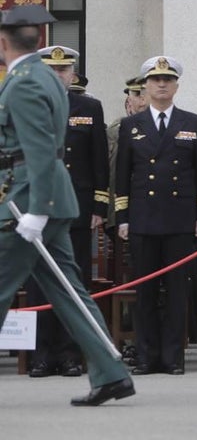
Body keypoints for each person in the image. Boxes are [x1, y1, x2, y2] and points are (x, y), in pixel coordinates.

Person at [0, 4, 134, 406]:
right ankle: (111, 373)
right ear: (39, 40)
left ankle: (111, 373)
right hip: (49, 197)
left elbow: (39, 149)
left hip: (28, 201)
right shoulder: (46, 77)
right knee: (69, 291)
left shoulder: (23, 81)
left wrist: (37, 210)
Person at [114, 55, 197, 375]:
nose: (161, 85)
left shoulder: (192, 122)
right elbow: (123, 176)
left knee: (176, 292)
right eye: (155, 80)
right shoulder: (131, 126)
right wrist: (124, 218)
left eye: (167, 80)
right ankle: (145, 357)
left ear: (176, 86)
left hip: (180, 219)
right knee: (144, 293)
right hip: (142, 220)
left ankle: (173, 358)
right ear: (144, 87)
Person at [24, 45, 110, 378]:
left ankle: (72, 354)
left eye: (65, 69)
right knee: (39, 284)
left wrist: (99, 205)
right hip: (36, 209)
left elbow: (99, 161)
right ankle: (42, 355)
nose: (59, 74)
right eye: (53, 69)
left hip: (77, 206)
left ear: (73, 74)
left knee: (74, 284)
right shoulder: (27, 104)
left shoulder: (89, 107)